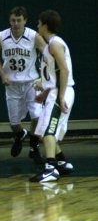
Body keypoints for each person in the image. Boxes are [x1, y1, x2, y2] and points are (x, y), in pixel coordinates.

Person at [0, 6, 46, 163]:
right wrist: (2, 74)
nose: (15, 23)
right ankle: (20, 134)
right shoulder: (2, 36)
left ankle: (34, 146)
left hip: (31, 82)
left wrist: (43, 77)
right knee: (14, 123)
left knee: (36, 115)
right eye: (13, 20)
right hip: (12, 84)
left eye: (19, 20)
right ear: (10, 21)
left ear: (25, 21)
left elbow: (47, 54)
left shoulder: (33, 36)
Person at [29, 10, 75, 184]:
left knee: (49, 130)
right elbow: (54, 75)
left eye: (39, 23)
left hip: (61, 92)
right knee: (42, 133)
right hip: (54, 92)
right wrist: (44, 90)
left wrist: (60, 96)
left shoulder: (55, 44)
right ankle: (62, 163)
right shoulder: (50, 46)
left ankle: (50, 168)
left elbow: (64, 70)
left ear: (45, 26)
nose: (37, 26)